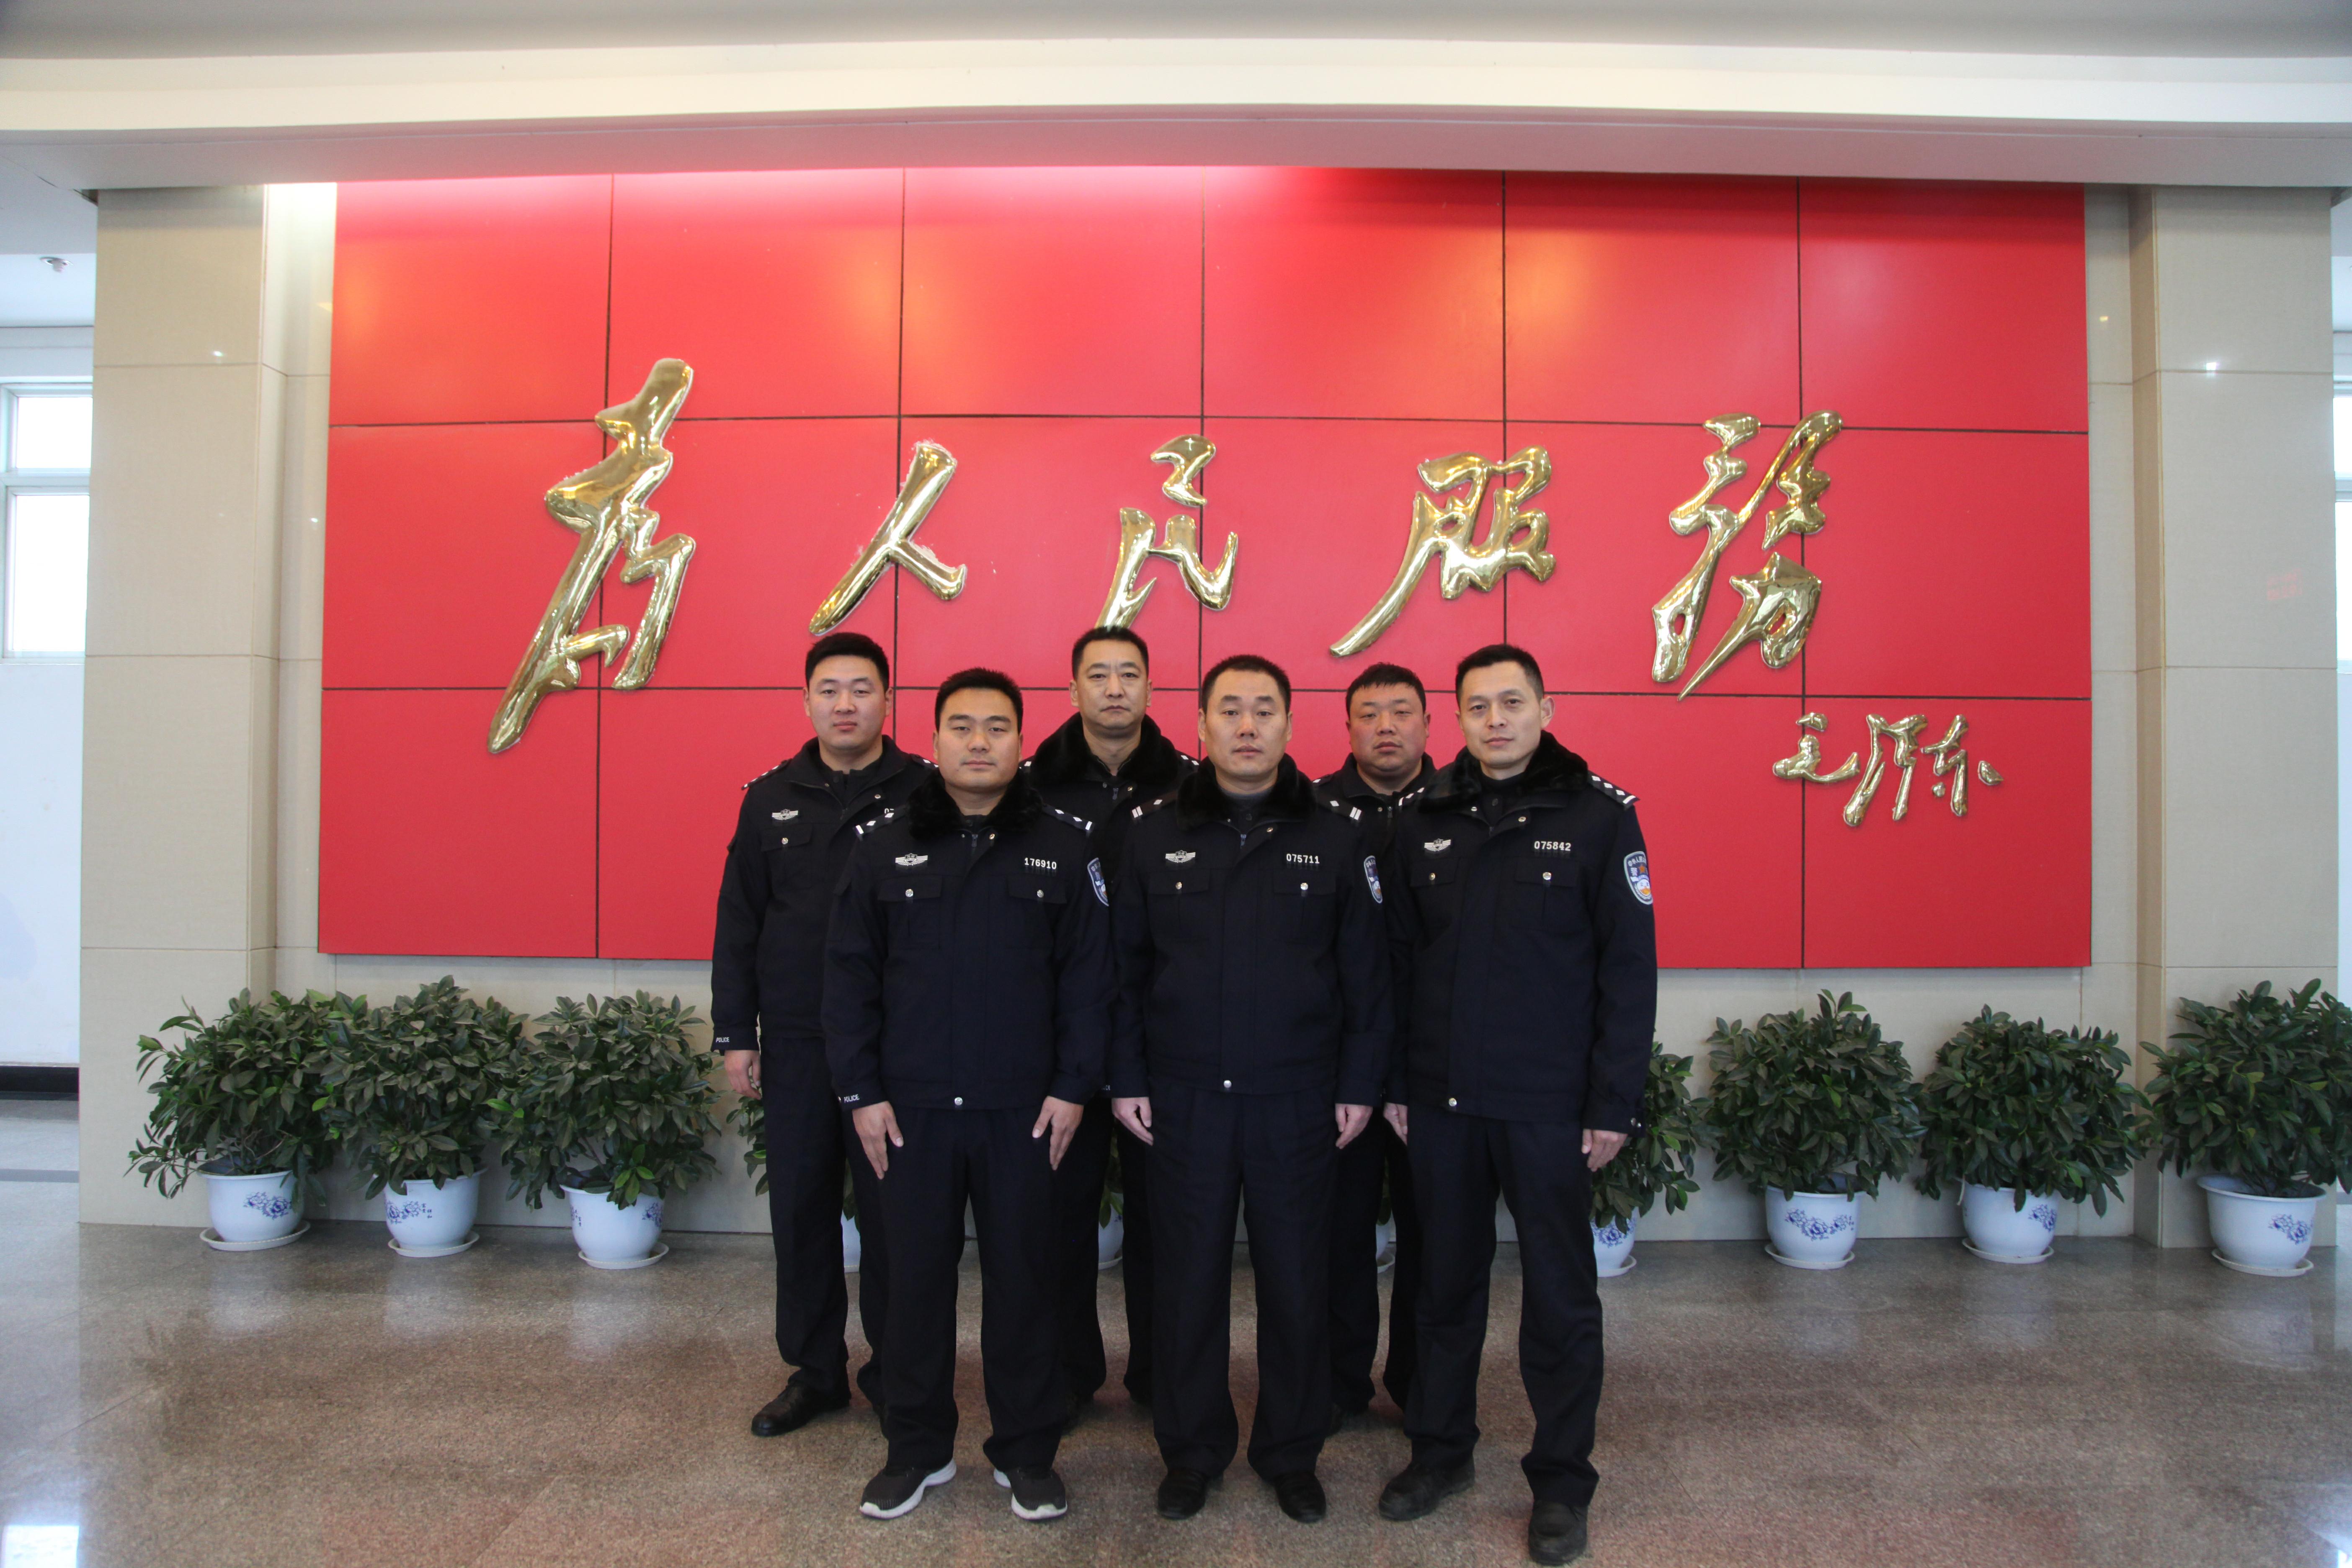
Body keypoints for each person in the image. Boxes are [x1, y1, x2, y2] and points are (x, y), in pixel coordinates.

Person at [1377, 643, 1656, 1568]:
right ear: (1456, 717)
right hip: (1443, 1103)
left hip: (1548, 1107)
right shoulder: (1423, 818)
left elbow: (1629, 972)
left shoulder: (1599, 818)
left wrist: (1612, 1101)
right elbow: (1395, 967)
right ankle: (1440, 1453)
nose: (1495, 720)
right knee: (1441, 1290)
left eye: (1512, 702)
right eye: (1478, 706)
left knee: (1561, 1301)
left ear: (1546, 708)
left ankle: (1563, 1482)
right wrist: (1397, 1085)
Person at [1110, 654, 1392, 1527]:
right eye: (1229, 709)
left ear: (1289, 726)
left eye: (1264, 710)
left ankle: (1290, 1453)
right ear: (1200, 725)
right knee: (1186, 1285)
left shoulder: (1338, 835)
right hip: (1182, 1097)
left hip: (1298, 1099)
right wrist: (1126, 1077)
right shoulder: (1151, 833)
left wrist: (1359, 1084)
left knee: (1299, 1284)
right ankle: (1192, 1453)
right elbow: (1120, 972)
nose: (1246, 725)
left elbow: (1368, 977)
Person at [825, 668, 1112, 1523]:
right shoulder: (882, 845)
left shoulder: (1066, 846)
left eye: (996, 727)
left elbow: (1090, 981)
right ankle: (916, 1451)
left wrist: (1073, 1088)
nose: (979, 742)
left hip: (1027, 1113)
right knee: (911, 1287)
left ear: (1022, 740)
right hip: (907, 1114)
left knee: (1027, 1285)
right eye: (961, 726)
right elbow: (848, 978)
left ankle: (1027, 1453)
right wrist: (861, 1093)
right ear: (934, 739)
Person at [712, 631, 928, 1438]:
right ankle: (814, 1371)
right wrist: (736, 1031)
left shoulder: (926, 791)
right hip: (799, 1039)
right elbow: (739, 922)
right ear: (806, 702)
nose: (846, 704)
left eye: (862, 689)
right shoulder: (769, 798)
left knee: (895, 1212)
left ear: (888, 701)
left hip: (897, 1045)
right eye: (830, 690)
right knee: (801, 1209)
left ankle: (896, 1371)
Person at [1024, 624, 1196, 1424]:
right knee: (1058, 1217)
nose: (1115, 688)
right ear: (1074, 690)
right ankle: (1067, 1374)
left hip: (1163, 1037)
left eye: (1130, 673)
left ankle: (1162, 1376)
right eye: (1099, 675)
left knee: (1166, 1224)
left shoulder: (1192, 785)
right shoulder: (1032, 786)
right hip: (1058, 1036)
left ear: (1152, 688)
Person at [1311, 662, 1436, 1429]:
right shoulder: (1313, 811)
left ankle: (1423, 1387)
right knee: (1337, 1236)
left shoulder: (1462, 807)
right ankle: (1337, 1383)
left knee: (1436, 1239)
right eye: (1369, 713)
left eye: (1401, 712)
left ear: (1429, 723)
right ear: (1348, 725)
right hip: (1339, 1071)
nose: (1385, 726)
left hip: (1435, 1066)